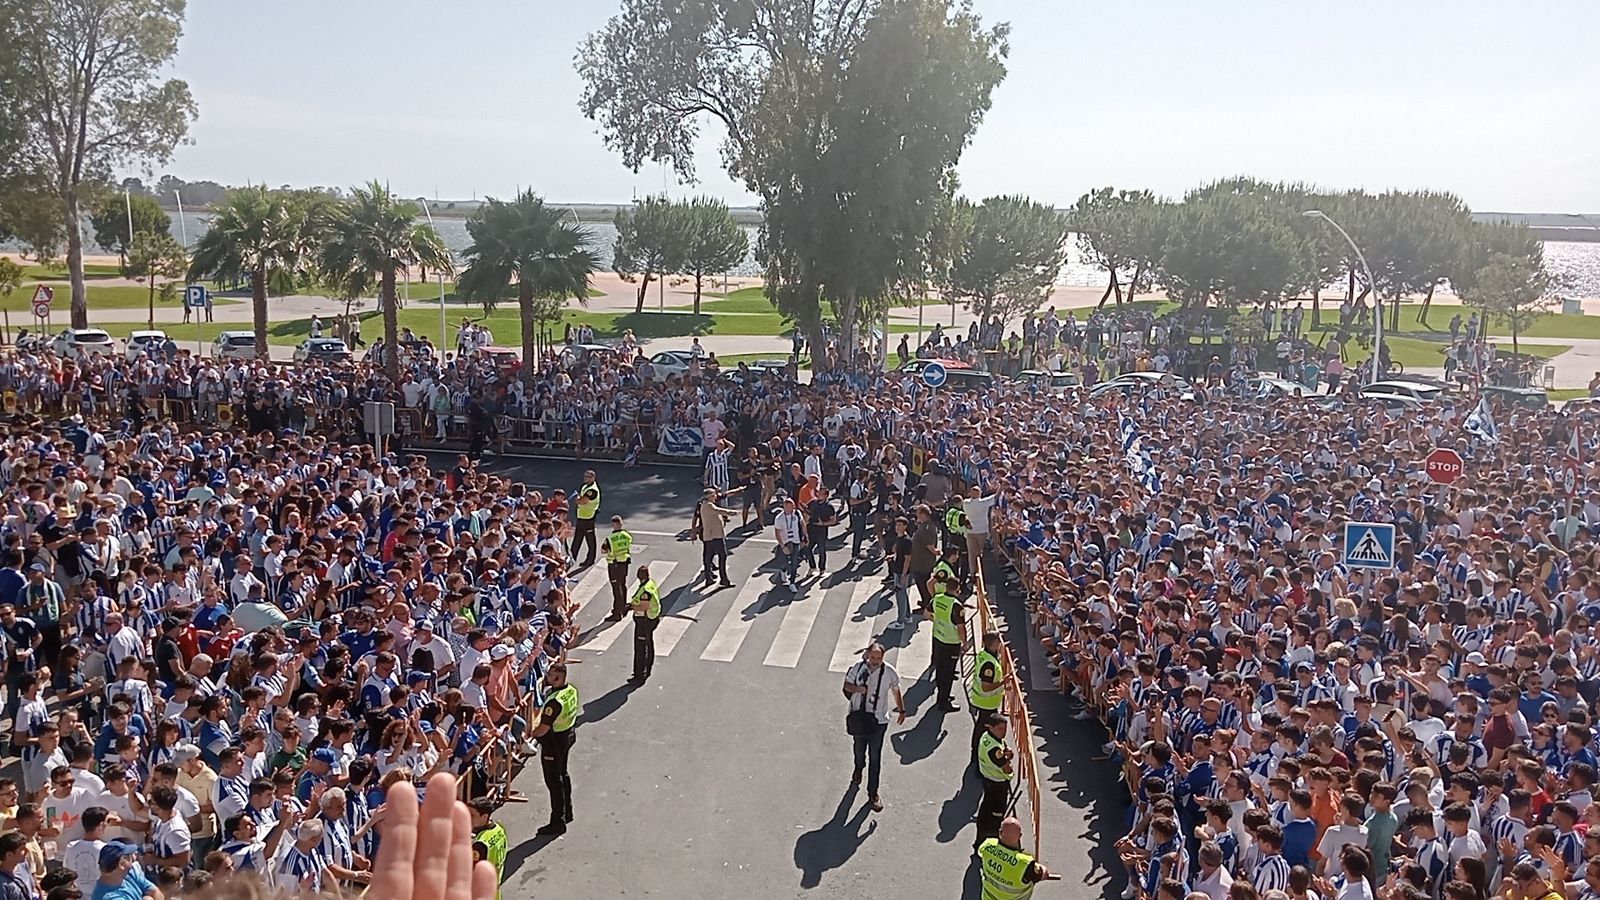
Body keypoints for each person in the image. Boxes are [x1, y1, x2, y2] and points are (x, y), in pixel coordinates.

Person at [842, 642, 905, 813]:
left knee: (875, 756)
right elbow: (846, 686)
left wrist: (901, 710)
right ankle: (858, 768)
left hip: (879, 721)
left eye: (879, 658)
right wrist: (858, 689)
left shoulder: (889, 672)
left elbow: (896, 690)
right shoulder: (858, 668)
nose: (875, 661)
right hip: (859, 717)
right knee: (859, 749)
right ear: (868, 655)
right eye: (873, 657)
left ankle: (873, 793)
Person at [530, 663, 580, 837]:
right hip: (568, 736)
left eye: (550, 675)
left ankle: (557, 821)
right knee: (563, 774)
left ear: (558, 678)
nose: (547, 677)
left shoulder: (555, 701)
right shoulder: (571, 690)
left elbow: (543, 728)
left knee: (554, 782)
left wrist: (530, 734)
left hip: (554, 742)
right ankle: (568, 811)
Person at [976, 815, 1054, 899]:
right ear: (1020, 836)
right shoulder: (1026, 864)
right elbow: (1044, 874)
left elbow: (980, 852)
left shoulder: (987, 845)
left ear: (1000, 832)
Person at [974, 713, 1014, 850]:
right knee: (995, 815)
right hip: (997, 784)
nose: (1004, 732)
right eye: (1000, 728)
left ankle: (980, 841)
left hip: (988, 779)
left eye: (1004, 728)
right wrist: (1008, 760)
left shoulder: (987, 737)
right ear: (990, 727)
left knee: (985, 810)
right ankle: (991, 845)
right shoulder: (994, 750)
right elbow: (1007, 769)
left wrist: (1007, 753)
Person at [968, 631, 1007, 767]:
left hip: (984, 701)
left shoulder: (984, 654)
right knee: (983, 730)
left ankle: (978, 756)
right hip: (986, 702)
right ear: (994, 644)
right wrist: (1003, 682)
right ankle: (978, 758)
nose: (1000, 644)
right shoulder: (989, 664)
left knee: (982, 728)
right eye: (999, 642)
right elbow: (986, 687)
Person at [929, 581, 967, 712]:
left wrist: (938, 622)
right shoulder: (957, 606)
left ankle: (942, 696)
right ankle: (944, 703)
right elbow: (961, 628)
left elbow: (926, 613)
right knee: (948, 673)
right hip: (951, 643)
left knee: (940, 670)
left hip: (938, 639)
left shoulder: (937, 598)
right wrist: (965, 643)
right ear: (957, 588)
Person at [467, 797, 508, 900]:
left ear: (484, 816)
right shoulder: (499, 830)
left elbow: (472, 872)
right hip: (495, 889)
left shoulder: (480, 844)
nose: (468, 818)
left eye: (472, 815)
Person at [696, 490, 736, 589]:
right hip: (715, 535)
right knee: (722, 555)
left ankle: (709, 578)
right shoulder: (709, 505)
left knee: (708, 557)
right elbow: (719, 510)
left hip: (709, 535)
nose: (716, 496)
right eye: (714, 495)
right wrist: (730, 512)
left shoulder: (705, 504)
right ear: (709, 496)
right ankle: (723, 579)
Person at [630, 564, 662, 683]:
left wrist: (631, 607)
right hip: (652, 618)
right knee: (648, 643)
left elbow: (643, 607)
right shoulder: (650, 583)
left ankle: (640, 674)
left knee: (641, 648)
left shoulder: (645, 591)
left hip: (645, 620)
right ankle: (646, 670)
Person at [602, 516, 633, 622]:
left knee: (616, 589)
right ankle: (623, 607)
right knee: (623, 585)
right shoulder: (627, 536)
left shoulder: (610, 539)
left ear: (613, 525)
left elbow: (603, 550)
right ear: (621, 523)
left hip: (614, 565)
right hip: (624, 564)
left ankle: (617, 612)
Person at [571, 470, 602, 568]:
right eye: (585, 476)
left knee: (590, 539)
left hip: (588, 517)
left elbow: (583, 501)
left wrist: (577, 500)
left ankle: (590, 559)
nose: (585, 478)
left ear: (593, 478)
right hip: (582, 516)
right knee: (577, 538)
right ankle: (572, 557)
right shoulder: (585, 486)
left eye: (587, 477)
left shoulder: (592, 490)